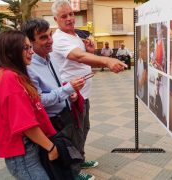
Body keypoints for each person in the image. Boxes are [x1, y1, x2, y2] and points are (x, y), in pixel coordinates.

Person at [50, 0, 126, 173]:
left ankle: (80, 159)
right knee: (74, 132)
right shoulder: (59, 39)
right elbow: (78, 57)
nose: (70, 18)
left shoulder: (75, 35)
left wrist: (90, 51)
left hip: (84, 94)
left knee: (84, 128)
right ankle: (73, 172)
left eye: (71, 14)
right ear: (56, 19)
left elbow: (83, 55)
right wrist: (106, 60)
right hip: (72, 96)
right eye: (64, 16)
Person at [21, 18, 93, 180]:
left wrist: (69, 93)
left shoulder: (50, 56)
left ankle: (74, 172)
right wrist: (67, 89)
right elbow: (39, 100)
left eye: (50, 35)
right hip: (52, 122)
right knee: (60, 159)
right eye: (43, 37)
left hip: (65, 113)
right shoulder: (29, 67)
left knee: (72, 148)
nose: (50, 40)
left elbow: (56, 84)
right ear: (30, 42)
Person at [0, 30, 58, 179]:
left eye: (30, 47)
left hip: (25, 152)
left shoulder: (5, 74)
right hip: (23, 154)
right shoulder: (8, 77)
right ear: (11, 52)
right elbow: (25, 124)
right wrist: (51, 147)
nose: (31, 52)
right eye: (26, 48)